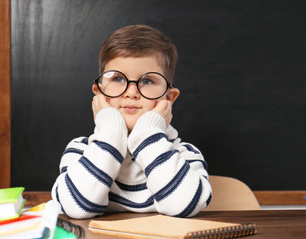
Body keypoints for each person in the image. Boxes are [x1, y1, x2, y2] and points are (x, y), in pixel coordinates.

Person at [51, 25, 212, 219]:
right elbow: (77, 208)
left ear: (168, 98)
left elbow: (183, 206)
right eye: (118, 78)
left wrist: (148, 135)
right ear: (100, 94)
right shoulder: (80, 152)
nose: (131, 92)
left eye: (147, 81)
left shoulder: (184, 155)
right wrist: (111, 135)